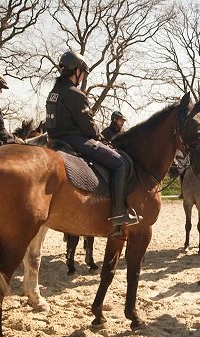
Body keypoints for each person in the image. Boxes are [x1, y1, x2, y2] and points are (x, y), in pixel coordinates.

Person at [45, 51, 140, 236]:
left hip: (55, 141)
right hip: (76, 140)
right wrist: (99, 137)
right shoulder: (75, 94)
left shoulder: (54, 93)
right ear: (77, 71)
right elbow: (89, 127)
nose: (82, 78)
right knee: (120, 162)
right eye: (83, 73)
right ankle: (119, 213)